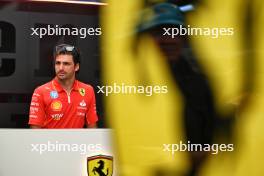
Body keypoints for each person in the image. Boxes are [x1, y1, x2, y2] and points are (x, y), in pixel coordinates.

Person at [137, 3, 216, 176]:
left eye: (174, 32)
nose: (168, 39)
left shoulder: (200, 86)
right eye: (159, 33)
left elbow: (213, 143)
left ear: (183, 38)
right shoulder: (132, 86)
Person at [28, 44, 98, 128]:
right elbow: (35, 132)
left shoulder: (88, 90)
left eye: (66, 64)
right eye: (58, 63)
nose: (61, 68)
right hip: (49, 141)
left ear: (76, 67)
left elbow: (92, 129)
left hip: (77, 141)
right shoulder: (40, 91)